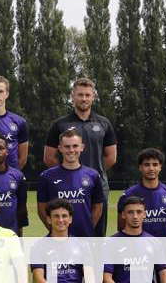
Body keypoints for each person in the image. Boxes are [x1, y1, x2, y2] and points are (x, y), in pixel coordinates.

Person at [44, 77, 117, 235]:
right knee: (62, 230)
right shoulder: (59, 124)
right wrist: (67, 174)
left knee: (95, 234)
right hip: (65, 187)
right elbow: (49, 158)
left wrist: (90, 177)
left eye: (87, 95)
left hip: (98, 186)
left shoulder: (104, 123)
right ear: (72, 96)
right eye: (80, 95)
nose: (84, 98)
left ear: (93, 97)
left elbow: (111, 157)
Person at [37, 129, 103, 237]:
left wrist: (88, 228)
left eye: (75, 146)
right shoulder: (47, 176)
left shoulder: (93, 175)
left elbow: (98, 208)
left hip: (85, 237)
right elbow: (41, 209)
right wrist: (56, 231)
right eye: (67, 146)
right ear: (60, 148)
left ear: (82, 147)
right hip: (58, 239)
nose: (71, 150)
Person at [118, 147, 166, 237]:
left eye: (155, 165)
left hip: (163, 247)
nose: (151, 168)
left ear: (160, 167)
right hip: (137, 247)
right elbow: (122, 227)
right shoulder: (128, 195)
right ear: (140, 167)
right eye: (147, 165)